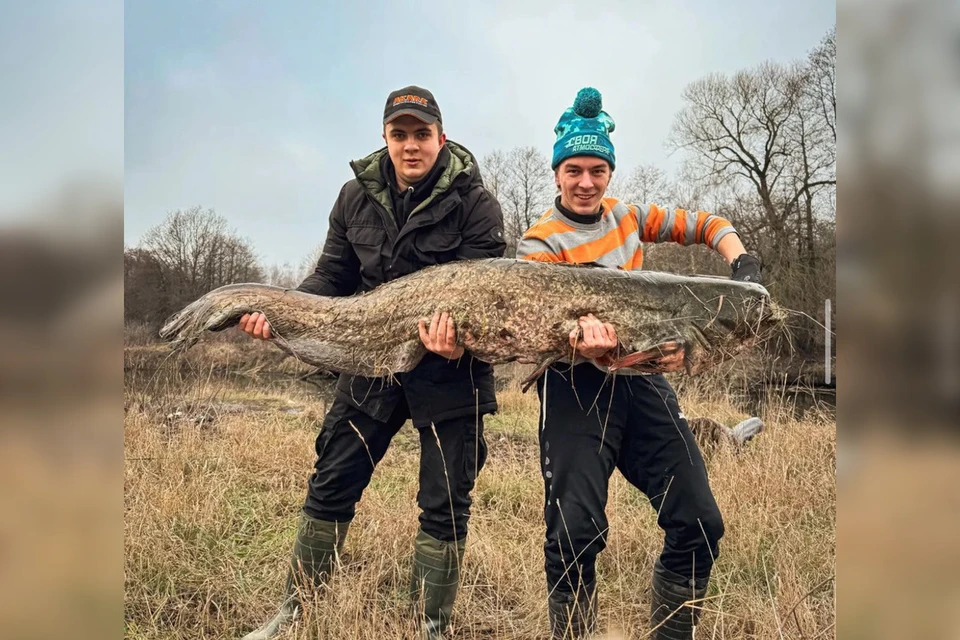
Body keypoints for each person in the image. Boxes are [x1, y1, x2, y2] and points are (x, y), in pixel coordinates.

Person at [237, 86, 506, 640]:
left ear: (441, 137)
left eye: (422, 134)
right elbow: (331, 278)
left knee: (446, 502)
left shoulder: (477, 204)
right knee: (332, 480)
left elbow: (485, 298)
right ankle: (296, 612)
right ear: (385, 137)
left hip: (451, 372)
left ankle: (431, 625)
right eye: (399, 134)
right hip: (369, 362)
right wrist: (282, 313)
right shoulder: (353, 197)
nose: (411, 145)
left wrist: (461, 341)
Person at [516, 88, 762, 640]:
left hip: (642, 381)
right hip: (574, 385)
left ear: (609, 172)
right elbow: (549, 324)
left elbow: (708, 223)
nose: (586, 182)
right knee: (575, 532)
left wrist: (743, 262)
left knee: (700, 522)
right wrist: (582, 338)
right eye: (574, 170)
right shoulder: (537, 243)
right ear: (557, 174)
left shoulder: (628, 216)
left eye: (597, 170)